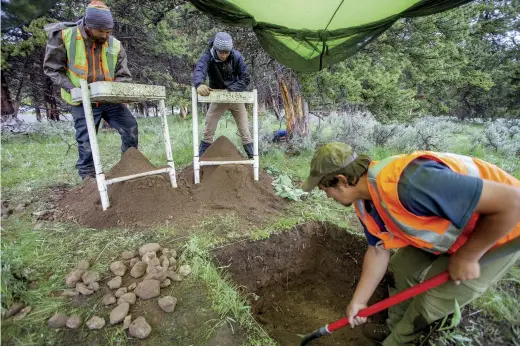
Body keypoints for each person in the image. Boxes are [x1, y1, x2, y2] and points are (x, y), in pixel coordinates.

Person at [302, 143, 520, 345]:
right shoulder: (364, 201)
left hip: (500, 233)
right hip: (453, 231)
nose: (327, 196)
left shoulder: (410, 183)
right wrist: (358, 302)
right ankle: (392, 328)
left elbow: (513, 204)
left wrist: (467, 257)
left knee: (431, 302)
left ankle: (398, 341)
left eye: (325, 190)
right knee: (401, 268)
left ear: (341, 180)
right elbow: (377, 251)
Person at [43, 1, 137, 180]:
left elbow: (123, 74)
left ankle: (130, 167)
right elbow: (52, 69)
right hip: (81, 99)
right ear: (88, 26)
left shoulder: (115, 44)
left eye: (108, 31)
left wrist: (116, 90)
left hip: (109, 99)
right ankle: (88, 179)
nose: (106, 34)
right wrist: (72, 89)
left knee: (130, 127)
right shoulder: (64, 36)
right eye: (101, 31)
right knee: (86, 139)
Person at [193, 32, 253, 158]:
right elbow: (200, 68)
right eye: (221, 52)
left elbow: (245, 78)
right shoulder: (208, 56)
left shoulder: (236, 56)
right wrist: (199, 84)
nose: (224, 55)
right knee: (209, 129)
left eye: (227, 52)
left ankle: (253, 161)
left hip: (235, 96)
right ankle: (200, 161)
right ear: (215, 49)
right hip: (217, 96)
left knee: (245, 131)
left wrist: (230, 90)